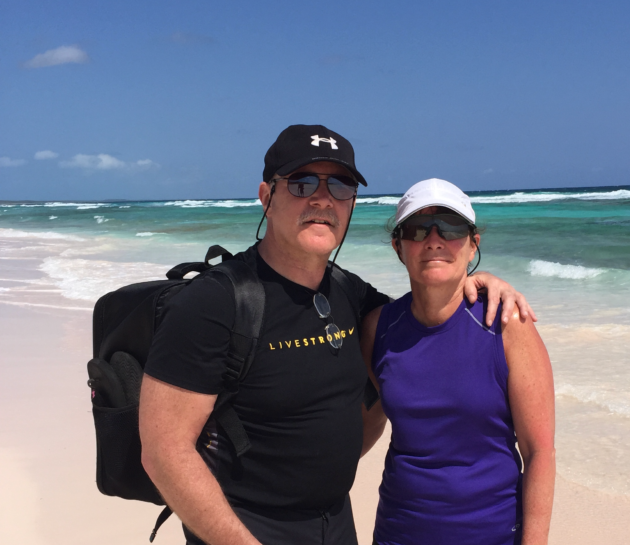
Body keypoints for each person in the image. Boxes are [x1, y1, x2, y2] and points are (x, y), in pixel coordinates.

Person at [138, 125, 536, 545]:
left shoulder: (351, 294)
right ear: (266, 197)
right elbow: (164, 454)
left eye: (341, 185)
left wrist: (478, 279)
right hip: (243, 528)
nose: (323, 198)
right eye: (302, 182)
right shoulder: (214, 302)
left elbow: (424, 313)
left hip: (336, 523)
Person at [361, 179, 556, 545]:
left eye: (450, 228)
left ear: (472, 245)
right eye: (418, 229)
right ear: (398, 247)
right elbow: (369, 417)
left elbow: (540, 452)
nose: (434, 240)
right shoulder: (378, 328)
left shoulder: (508, 324)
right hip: (397, 532)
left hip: (492, 533)